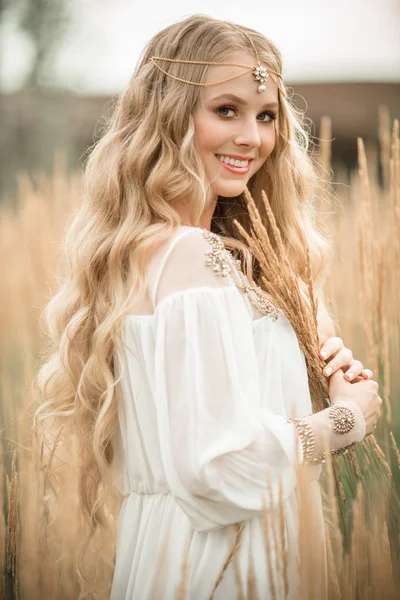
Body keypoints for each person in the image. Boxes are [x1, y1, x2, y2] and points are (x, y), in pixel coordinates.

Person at [33, 14, 382, 600]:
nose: (252, 137)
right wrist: (347, 419)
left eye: (265, 115)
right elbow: (216, 471)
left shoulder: (172, 254)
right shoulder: (188, 254)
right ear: (167, 118)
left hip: (197, 551)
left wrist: (307, 366)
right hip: (218, 567)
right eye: (226, 110)